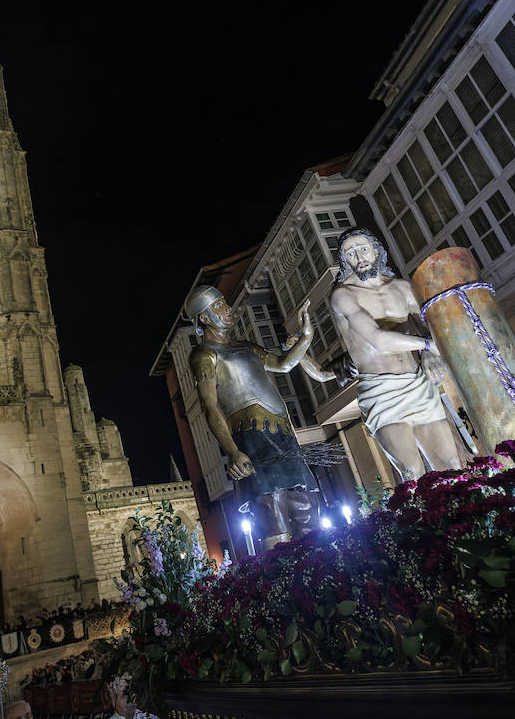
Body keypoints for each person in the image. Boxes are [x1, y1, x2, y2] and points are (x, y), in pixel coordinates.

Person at [185, 285, 317, 548]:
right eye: (219, 306)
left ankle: (325, 573)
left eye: (225, 303)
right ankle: (284, 581)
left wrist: (305, 338)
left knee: (306, 508)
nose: (228, 309)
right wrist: (232, 450)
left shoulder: (247, 347)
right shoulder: (204, 354)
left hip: (282, 433)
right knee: (272, 513)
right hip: (251, 438)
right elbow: (209, 405)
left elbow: (283, 364)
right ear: (204, 317)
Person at [328, 227, 463, 480]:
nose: (359, 257)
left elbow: (432, 322)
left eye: (363, 249)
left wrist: (430, 354)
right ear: (344, 260)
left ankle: (468, 518)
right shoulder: (343, 295)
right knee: (412, 472)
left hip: (417, 386)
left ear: (377, 250)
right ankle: (420, 518)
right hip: (382, 391)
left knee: (451, 464)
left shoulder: (402, 287)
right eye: (350, 253)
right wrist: (426, 346)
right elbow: (379, 340)